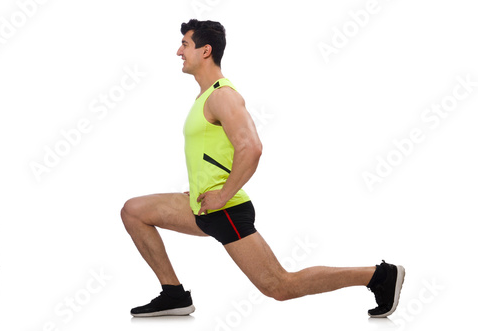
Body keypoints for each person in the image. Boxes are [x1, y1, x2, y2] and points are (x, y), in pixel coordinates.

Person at [121, 19, 405, 319]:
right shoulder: (205, 95)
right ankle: (174, 295)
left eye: (185, 44)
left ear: (206, 51)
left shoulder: (223, 95)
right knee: (134, 211)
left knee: (280, 286)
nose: (179, 51)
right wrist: (205, 186)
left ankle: (379, 276)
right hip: (201, 206)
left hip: (225, 209)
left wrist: (222, 194)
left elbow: (252, 148)